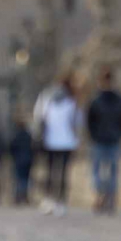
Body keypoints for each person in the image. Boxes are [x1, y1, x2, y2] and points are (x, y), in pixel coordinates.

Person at [31, 73, 79, 216]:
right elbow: (76, 122)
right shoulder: (71, 102)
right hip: (66, 141)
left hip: (50, 141)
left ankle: (49, 200)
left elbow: (38, 117)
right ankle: (60, 201)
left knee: (50, 171)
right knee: (62, 173)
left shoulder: (46, 100)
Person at [86, 69, 121, 214]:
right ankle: (106, 196)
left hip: (106, 139)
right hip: (107, 139)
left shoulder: (98, 100)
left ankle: (105, 196)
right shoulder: (115, 100)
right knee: (107, 171)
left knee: (103, 170)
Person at [8, 113, 35, 205]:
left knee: (18, 178)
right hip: (28, 160)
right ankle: (25, 196)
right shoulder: (28, 135)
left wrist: (13, 157)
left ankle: (18, 197)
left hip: (18, 160)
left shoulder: (15, 135)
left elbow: (11, 147)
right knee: (26, 179)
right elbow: (33, 148)